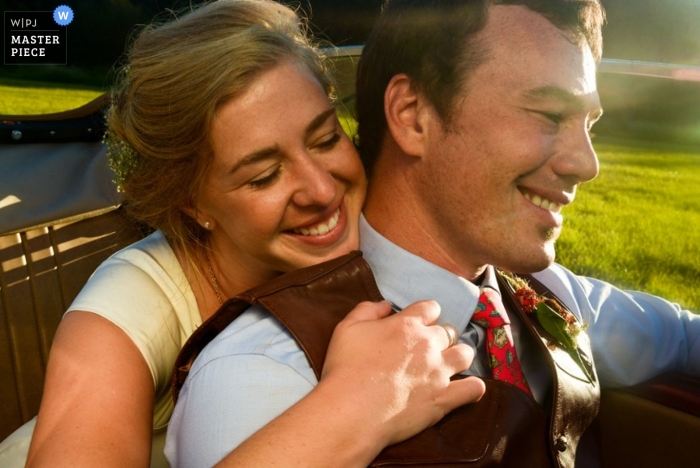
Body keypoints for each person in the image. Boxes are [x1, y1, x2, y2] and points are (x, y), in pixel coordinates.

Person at [166, 0, 700, 466]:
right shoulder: (263, 371)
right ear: (412, 115)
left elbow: (682, 338)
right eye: (547, 113)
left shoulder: (554, 295)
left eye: (590, 125)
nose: (587, 164)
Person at [0, 1, 484, 467]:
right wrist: (357, 406)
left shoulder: (373, 222)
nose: (320, 190)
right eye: (263, 176)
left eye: (325, 139)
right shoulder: (119, 315)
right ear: (193, 203)